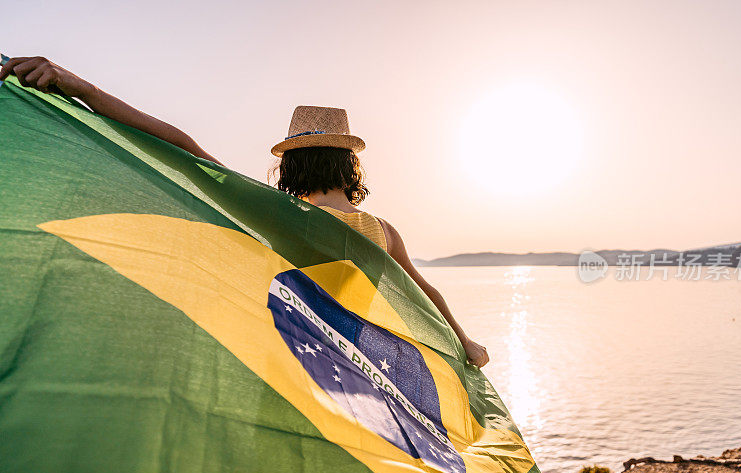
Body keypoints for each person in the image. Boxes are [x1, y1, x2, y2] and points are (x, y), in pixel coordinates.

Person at [0, 56, 490, 368]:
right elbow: (423, 293)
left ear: (292, 166)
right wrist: (466, 342)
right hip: (364, 369)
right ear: (349, 163)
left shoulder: (277, 212)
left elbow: (181, 145)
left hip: (287, 361)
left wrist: (79, 87)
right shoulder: (381, 231)